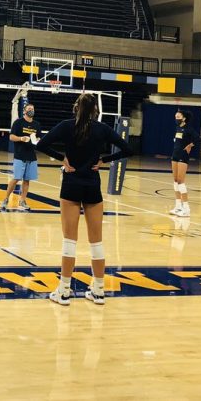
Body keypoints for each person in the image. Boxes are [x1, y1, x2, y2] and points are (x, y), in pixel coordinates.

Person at [35, 93, 132, 306]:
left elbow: (40, 145)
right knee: (96, 241)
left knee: (70, 240)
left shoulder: (66, 125)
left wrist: (63, 158)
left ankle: (64, 291)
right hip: (92, 186)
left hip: (71, 184)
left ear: (76, 108)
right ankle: (98, 291)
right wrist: (104, 160)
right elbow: (127, 149)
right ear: (95, 110)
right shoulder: (102, 129)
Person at [0, 103, 41, 211]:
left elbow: (39, 138)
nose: (31, 110)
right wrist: (21, 139)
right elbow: (11, 137)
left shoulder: (37, 124)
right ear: (24, 111)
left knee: (27, 180)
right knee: (16, 178)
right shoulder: (18, 123)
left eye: (32, 108)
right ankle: (6, 199)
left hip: (31, 157)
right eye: (29, 109)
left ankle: (22, 200)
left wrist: (37, 141)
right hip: (19, 156)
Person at [169, 109, 198, 217]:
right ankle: (178, 206)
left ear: (184, 118)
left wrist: (190, 146)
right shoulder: (178, 128)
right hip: (175, 155)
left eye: (178, 117)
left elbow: (197, 139)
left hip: (183, 156)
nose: (176, 119)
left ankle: (186, 209)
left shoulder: (189, 129)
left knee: (181, 181)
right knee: (176, 180)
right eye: (175, 117)